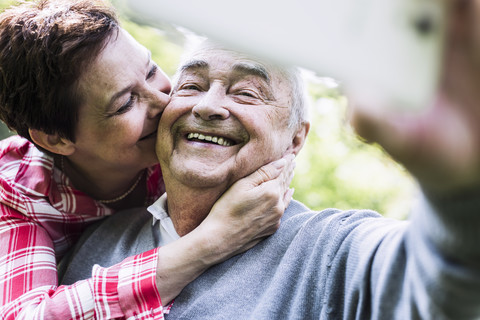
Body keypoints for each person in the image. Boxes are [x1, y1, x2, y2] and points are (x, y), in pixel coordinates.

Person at [61, 2, 480, 318]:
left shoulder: (331, 250)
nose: (208, 106)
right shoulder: (100, 239)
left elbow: (440, 288)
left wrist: (460, 191)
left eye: (246, 92)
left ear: (296, 139)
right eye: (191, 85)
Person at [0, 0, 295, 318]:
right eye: (126, 102)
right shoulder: (16, 198)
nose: (163, 100)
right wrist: (213, 240)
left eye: (152, 71)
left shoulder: (184, 141)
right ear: (56, 139)